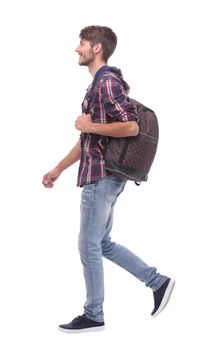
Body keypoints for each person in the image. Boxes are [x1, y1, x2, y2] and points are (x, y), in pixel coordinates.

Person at [42, 25, 175, 333]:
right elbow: (87, 139)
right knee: (101, 243)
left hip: (102, 177)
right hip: (103, 175)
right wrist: (58, 169)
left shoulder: (106, 84)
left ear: (97, 48)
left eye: (82, 43)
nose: (77, 49)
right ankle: (158, 282)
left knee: (88, 245)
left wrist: (89, 125)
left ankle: (94, 314)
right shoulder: (100, 86)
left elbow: (130, 127)